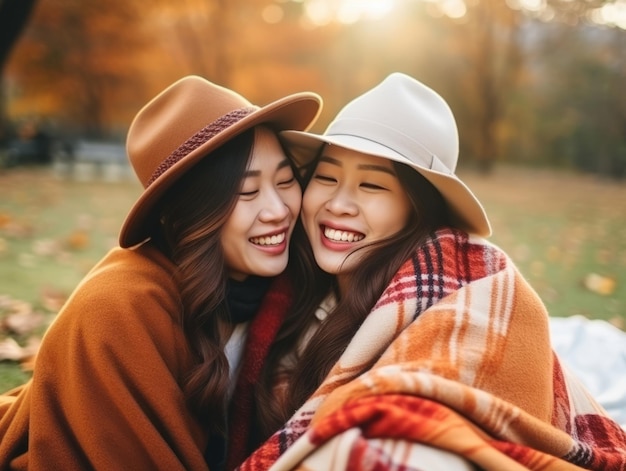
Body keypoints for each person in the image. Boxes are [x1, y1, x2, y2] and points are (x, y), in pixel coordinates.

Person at [226, 73, 626, 470]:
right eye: (326, 177)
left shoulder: (467, 295)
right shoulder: (287, 288)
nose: (339, 203)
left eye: (372, 186)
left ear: (417, 208)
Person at [0, 75, 322, 470]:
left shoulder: (281, 287)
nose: (277, 210)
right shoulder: (118, 309)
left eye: (286, 180)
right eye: (246, 192)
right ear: (188, 215)